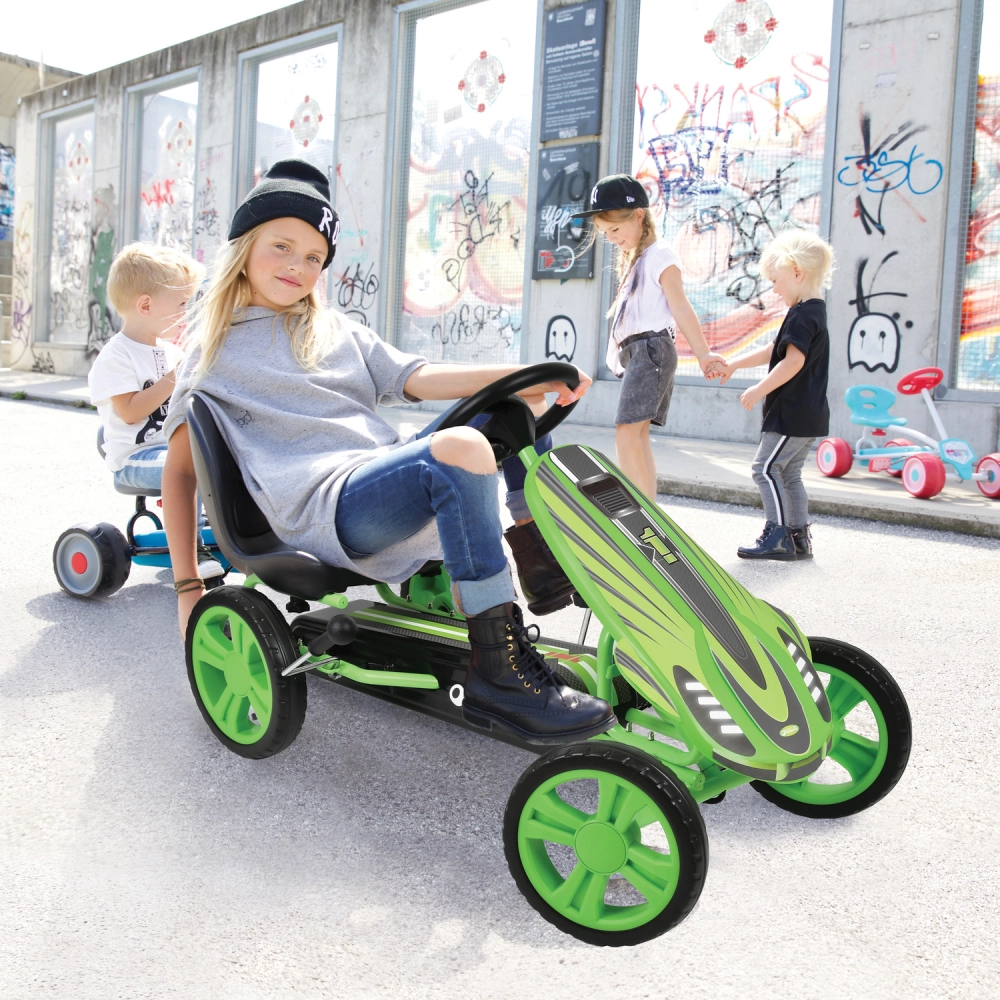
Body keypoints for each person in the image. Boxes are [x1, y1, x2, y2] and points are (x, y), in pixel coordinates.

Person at [161, 158, 615, 745]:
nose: (298, 267)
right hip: (325, 507)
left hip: (380, 477)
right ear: (245, 246)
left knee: (514, 409)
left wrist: (528, 375)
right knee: (457, 447)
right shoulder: (211, 354)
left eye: (314, 258)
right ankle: (498, 674)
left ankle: (536, 561)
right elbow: (179, 476)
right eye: (282, 247)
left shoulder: (333, 331)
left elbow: (420, 376)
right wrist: (188, 587)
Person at [573, 174, 726, 499]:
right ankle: (648, 509)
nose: (611, 238)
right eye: (605, 233)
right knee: (636, 435)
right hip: (642, 352)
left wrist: (704, 355)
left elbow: (681, 307)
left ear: (639, 215)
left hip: (651, 349)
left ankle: (638, 510)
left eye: (615, 229)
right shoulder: (640, 258)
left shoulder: (660, 254)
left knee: (627, 434)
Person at [88, 242, 222, 579]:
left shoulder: (171, 352)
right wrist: (176, 377)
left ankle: (222, 528)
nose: (185, 313)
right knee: (189, 465)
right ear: (145, 305)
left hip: (166, 450)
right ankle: (191, 549)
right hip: (134, 458)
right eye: (180, 305)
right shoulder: (116, 356)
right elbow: (131, 412)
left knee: (217, 454)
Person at [714, 229, 835, 560]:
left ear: (797, 272)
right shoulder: (811, 311)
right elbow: (775, 349)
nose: (774, 288)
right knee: (789, 473)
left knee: (764, 469)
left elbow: (793, 362)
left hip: (791, 411)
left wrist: (758, 388)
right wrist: (735, 364)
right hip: (808, 412)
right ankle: (798, 538)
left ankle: (778, 536)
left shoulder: (803, 313)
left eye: (776, 280)